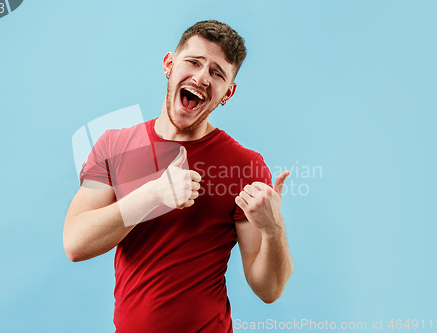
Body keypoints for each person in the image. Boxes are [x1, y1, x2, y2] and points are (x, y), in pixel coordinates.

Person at [63, 20, 293, 333]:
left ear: (228, 92)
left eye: (217, 73)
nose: (201, 77)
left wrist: (274, 229)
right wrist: (153, 195)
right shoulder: (114, 145)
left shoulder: (245, 166)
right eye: (194, 62)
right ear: (169, 64)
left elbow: (269, 290)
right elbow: (75, 243)